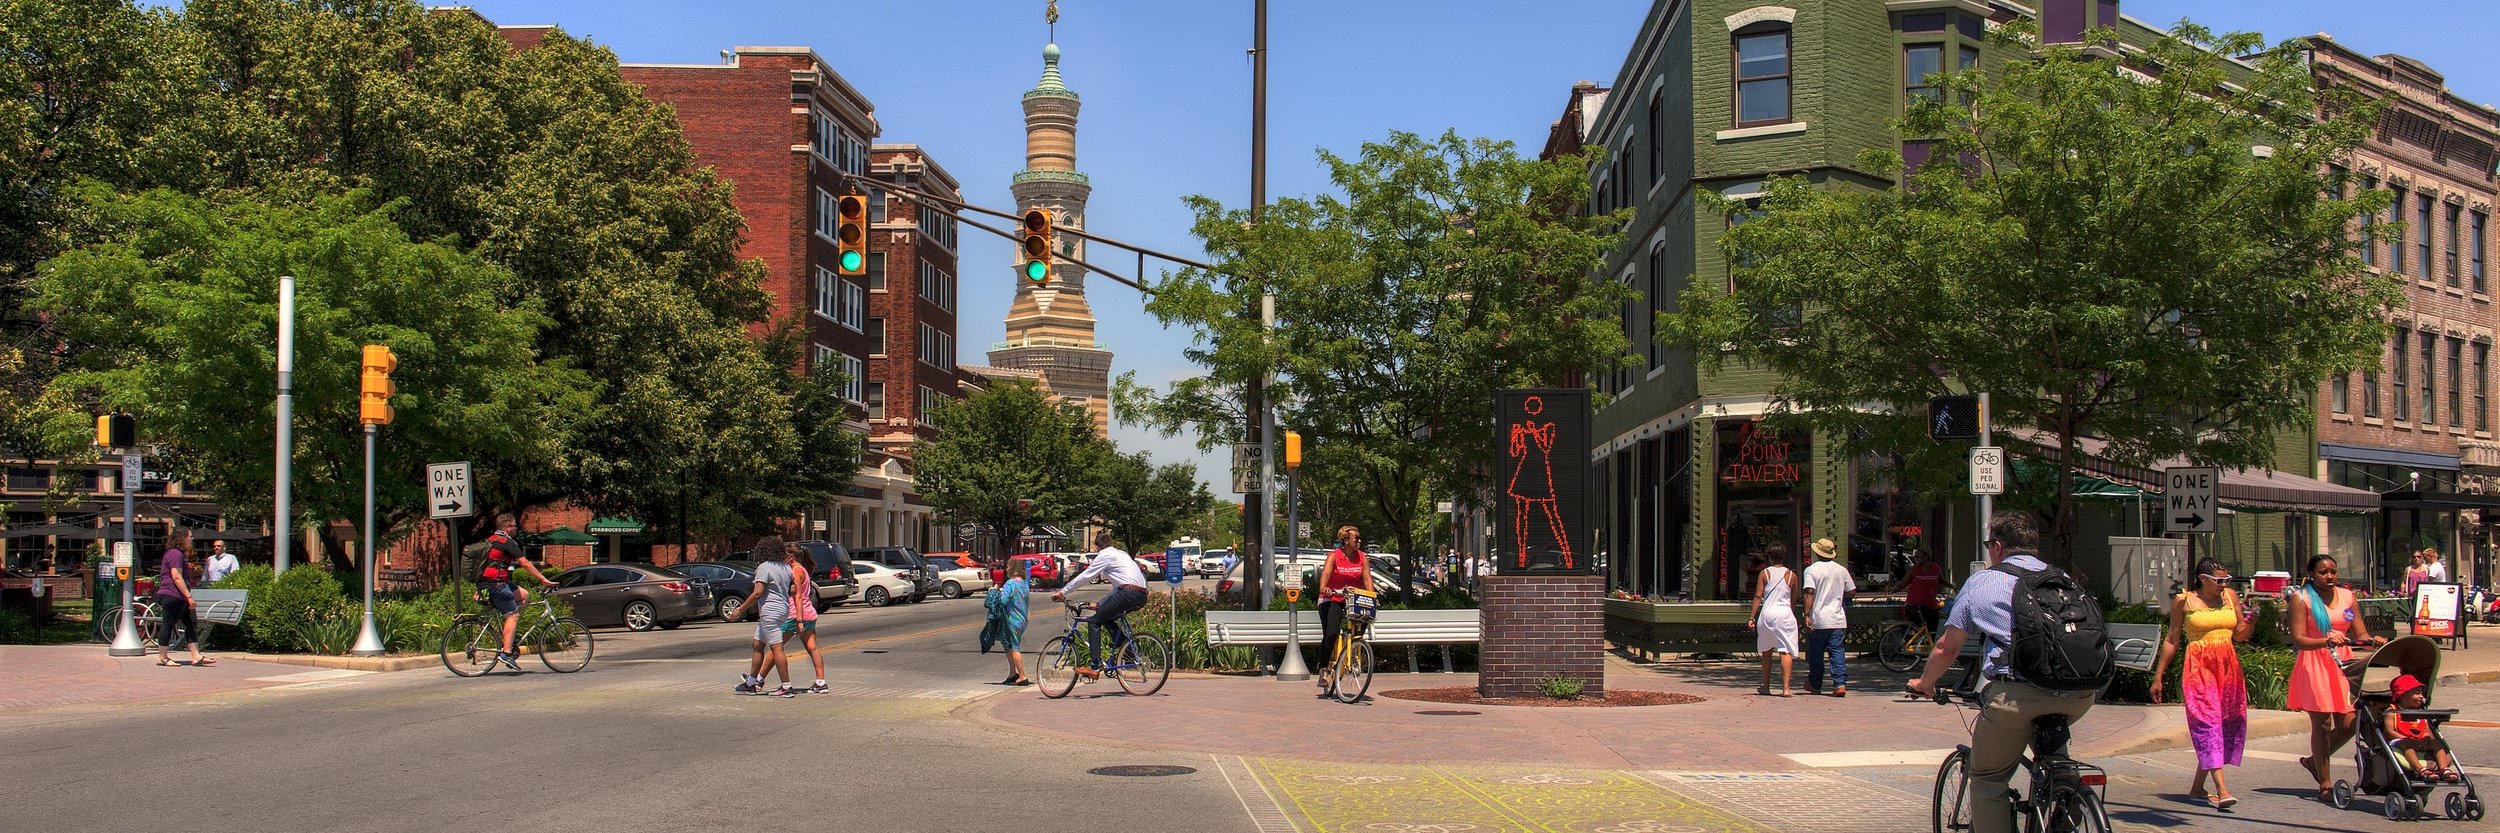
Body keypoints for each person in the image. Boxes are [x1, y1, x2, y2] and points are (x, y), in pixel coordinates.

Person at [1910, 513, 2096, 833]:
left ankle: (2057, 790)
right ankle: (2065, 791)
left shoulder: (1984, 581)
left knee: (1988, 778)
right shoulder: (2062, 578)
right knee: (2053, 752)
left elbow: (1946, 649)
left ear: (1997, 547)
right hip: (2080, 692)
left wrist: (1925, 683)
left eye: (1988, 545)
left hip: (2017, 696)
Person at [2150, 559, 2255, 810]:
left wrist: (2252, 620)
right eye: (2219, 580)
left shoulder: (2229, 597)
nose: (2224, 584)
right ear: (2203, 578)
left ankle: (2197, 788)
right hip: (2199, 667)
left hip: (2228, 667)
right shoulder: (2183, 601)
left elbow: (2239, 635)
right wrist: (2158, 676)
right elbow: (2172, 639)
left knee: (2224, 725)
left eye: (2226, 580)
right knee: (2208, 724)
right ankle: (2222, 789)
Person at [2288, 554, 2379, 801]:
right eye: (2323, 572)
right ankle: (2325, 783)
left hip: (2343, 664)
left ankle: (2313, 762)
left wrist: (2373, 641)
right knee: (2322, 725)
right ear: (2311, 574)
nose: (2329, 577)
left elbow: (2360, 633)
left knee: (2350, 723)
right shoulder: (2301, 598)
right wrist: (2326, 640)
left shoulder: (2348, 597)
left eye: (2333, 572)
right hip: (2314, 662)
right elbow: (2298, 639)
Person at [1052, 543, 1148, 681]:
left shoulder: (1104, 555)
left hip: (1127, 593)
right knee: (1107, 618)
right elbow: (1118, 589)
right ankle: (1127, 650)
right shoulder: (1122, 554)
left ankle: (1094, 667)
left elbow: (1086, 575)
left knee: (1094, 622)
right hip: (1141, 595)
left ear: (1097, 548)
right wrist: (1099, 604)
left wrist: (1063, 591)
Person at [476, 514, 554, 671]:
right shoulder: (507, 542)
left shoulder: (491, 540)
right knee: (513, 615)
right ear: (507, 528)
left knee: (524, 595)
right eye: (514, 526)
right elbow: (524, 563)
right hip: (496, 585)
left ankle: (508, 634)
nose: (516, 529)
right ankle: (506, 653)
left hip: (493, 583)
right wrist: (543, 579)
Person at [727, 537, 797, 697]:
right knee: (757, 644)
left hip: (770, 611)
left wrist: (740, 609)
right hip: (782, 609)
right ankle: (751, 683)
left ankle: (786, 687)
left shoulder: (764, 567)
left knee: (776, 648)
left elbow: (758, 592)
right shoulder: (786, 567)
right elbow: (792, 590)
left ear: (763, 551)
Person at [1314, 525, 1380, 689]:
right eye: (1356, 538)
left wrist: (1371, 596)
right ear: (1345, 540)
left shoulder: (1362, 557)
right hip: (1332, 597)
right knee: (1331, 633)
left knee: (1363, 620)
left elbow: (1367, 580)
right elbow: (1326, 574)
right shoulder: (1334, 556)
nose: (1359, 541)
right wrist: (1323, 587)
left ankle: (1354, 649)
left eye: (1359, 538)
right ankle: (1323, 669)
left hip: (1353, 598)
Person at [1800, 538, 1856, 697]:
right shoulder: (1841, 570)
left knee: (1816, 653)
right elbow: (1852, 591)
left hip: (1819, 619)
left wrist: (1806, 615)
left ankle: (1815, 683)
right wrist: (1838, 595)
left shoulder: (1811, 570)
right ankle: (1840, 683)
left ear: (1817, 552)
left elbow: (1809, 592)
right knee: (1837, 651)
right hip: (1837, 619)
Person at [153, 529, 213, 667]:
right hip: (172, 595)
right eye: (190, 537)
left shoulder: (178, 554)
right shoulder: (175, 554)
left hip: (179, 596)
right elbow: (176, 576)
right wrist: (189, 597)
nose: (191, 539)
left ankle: (196, 655)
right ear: (182, 538)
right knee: (168, 623)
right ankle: (163, 657)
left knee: (190, 622)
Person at [1747, 544, 1799, 697]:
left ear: (1770, 557)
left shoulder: (1764, 573)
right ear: (1784, 557)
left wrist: (1751, 616)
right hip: (1784, 613)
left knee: (1766, 651)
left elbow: (1758, 596)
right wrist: (1792, 612)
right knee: (1785, 650)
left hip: (1767, 613)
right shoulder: (1792, 575)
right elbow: (1794, 598)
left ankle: (1765, 686)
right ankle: (1786, 688)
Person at [2386, 674, 2457, 780]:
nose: (2421, 697)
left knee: (2436, 743)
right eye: (2417, 693)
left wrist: (2426, 736)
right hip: (2400, 741)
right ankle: (2420, 769)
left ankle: (2443, 769)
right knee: (2407, 744)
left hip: (2419, 741)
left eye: (2422, 694)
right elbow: (2389, 731)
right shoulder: (2392, 711)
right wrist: (2404, 738)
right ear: (2403, 695)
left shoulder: (2421, 712)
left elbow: (2426, 730)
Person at [982, 562, 1033, 685]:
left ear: (1014, 569)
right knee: (1008, 646)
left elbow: (1002, 600)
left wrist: (994, 591)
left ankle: (1022, 676)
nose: (1006, 568)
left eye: (1009, 566)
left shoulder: (1010, 583)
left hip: (1012, 620)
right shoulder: (1024, 583)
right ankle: (1012, 673)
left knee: (1014, 648)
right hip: (1022, 619)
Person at [787, 543, 827, 694]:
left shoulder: (796, 571)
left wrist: (798, 620)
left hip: (796, 614)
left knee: (775, 648)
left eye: (785, 555)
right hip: (809, 612)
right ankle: (821, 682)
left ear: (790, 556)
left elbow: (797, 597)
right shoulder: (803, 569)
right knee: (812, 648)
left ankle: (757, 680)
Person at [1898, 548, 1948, 635]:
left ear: (1926, 557)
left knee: (1932, 633)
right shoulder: (1914, 570)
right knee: (1919, 631)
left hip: (1931, 606)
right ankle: (1912, 644)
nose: (1915, 559)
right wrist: (1894, 588)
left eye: (1918, 557)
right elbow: (1903, 583)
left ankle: (1927, 647)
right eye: (1915, 557)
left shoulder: (1935, 568)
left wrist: (1952, 586)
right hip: (1914, 607)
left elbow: (1941, 581)